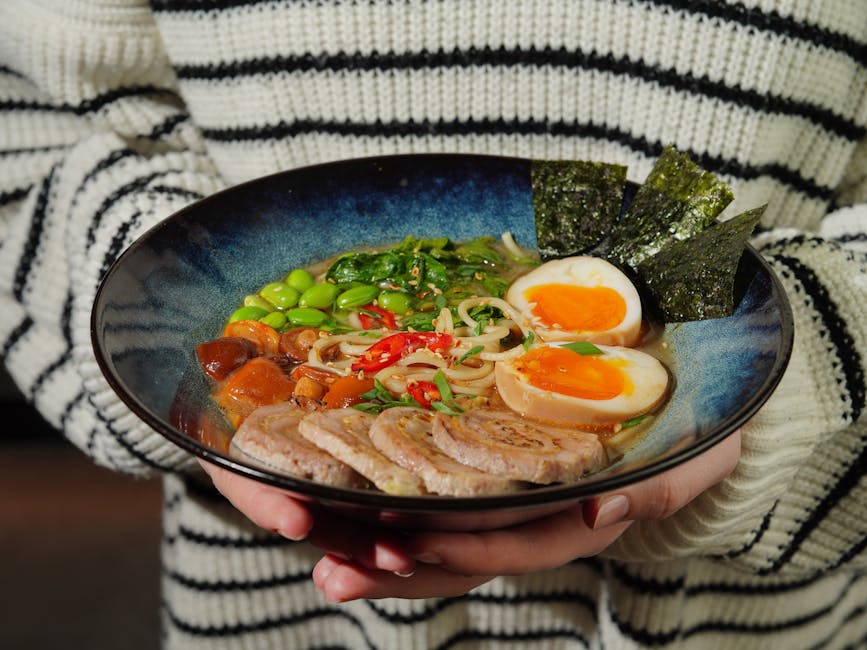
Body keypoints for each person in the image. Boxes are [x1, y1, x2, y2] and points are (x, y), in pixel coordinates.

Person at [1, 0, 865, 648]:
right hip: (281, 601)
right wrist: (165, 292)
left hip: (730, 617)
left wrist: (767, 392)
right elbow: (33, 121)